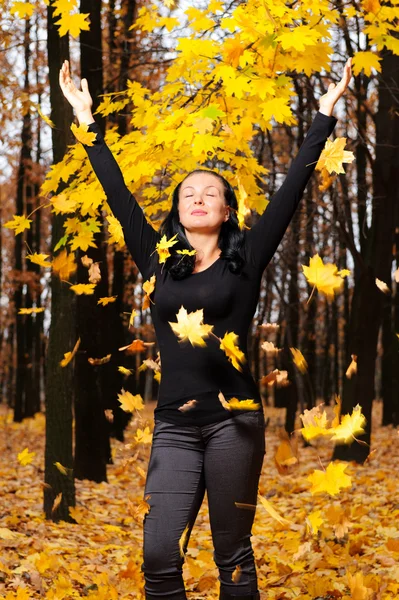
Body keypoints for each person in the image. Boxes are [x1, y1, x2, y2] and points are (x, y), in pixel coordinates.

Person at [59, 57, 352, 600]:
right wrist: (85, 119)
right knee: (158, 549)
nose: (197, 197)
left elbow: (293, 187)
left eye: (209, 192)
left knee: (232, 554)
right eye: (187, 192)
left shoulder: (248, 256)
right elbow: (118, 195)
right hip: (174, 423)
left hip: (234, 424)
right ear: (176, 209)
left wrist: (322, 115)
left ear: (226, 209)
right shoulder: (157, 258)